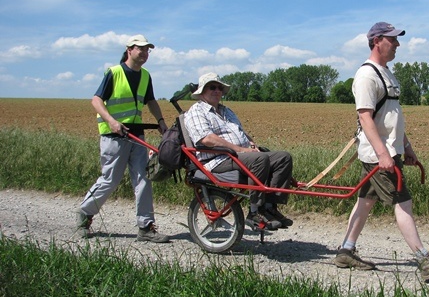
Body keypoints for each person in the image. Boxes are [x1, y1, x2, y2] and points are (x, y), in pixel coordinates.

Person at [333, 22, 429, 281]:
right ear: (377, 40)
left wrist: (407, 147)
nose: (398, 44)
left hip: (389, 151)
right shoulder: (367, 75)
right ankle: (424, 260)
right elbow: (365, 118)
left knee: (365, 202)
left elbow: (391, 117)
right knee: (403, 202)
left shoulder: (386, 73)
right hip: (378, 155)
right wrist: (382, 155)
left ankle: (345, 250)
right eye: (393, 39)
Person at [76, 35, 170, 243]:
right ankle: (85, 214)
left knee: (144, 178)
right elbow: (96, 100)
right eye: (141, 49)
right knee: (110, 180)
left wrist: (161, 121)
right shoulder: (114, 72)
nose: (145, 53)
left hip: (136, 135)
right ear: (129, 49)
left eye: (148, 50)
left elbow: (151, 101)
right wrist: (111, 121)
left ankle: (146, 227)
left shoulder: (145, 76)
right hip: (114, 135)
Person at [184, 72, 294, 231]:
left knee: (283, 158)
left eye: (219, 88)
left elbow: (240, 132)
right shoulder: (197, 111)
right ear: (202, 92)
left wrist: (251, 145)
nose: (217, 91)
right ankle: (255, 211)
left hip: (238, 156)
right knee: (260, 159)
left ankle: (270, 207)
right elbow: (206, 139)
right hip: (217, 160)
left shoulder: (226, 111)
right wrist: (241, 150)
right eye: (211, 87)